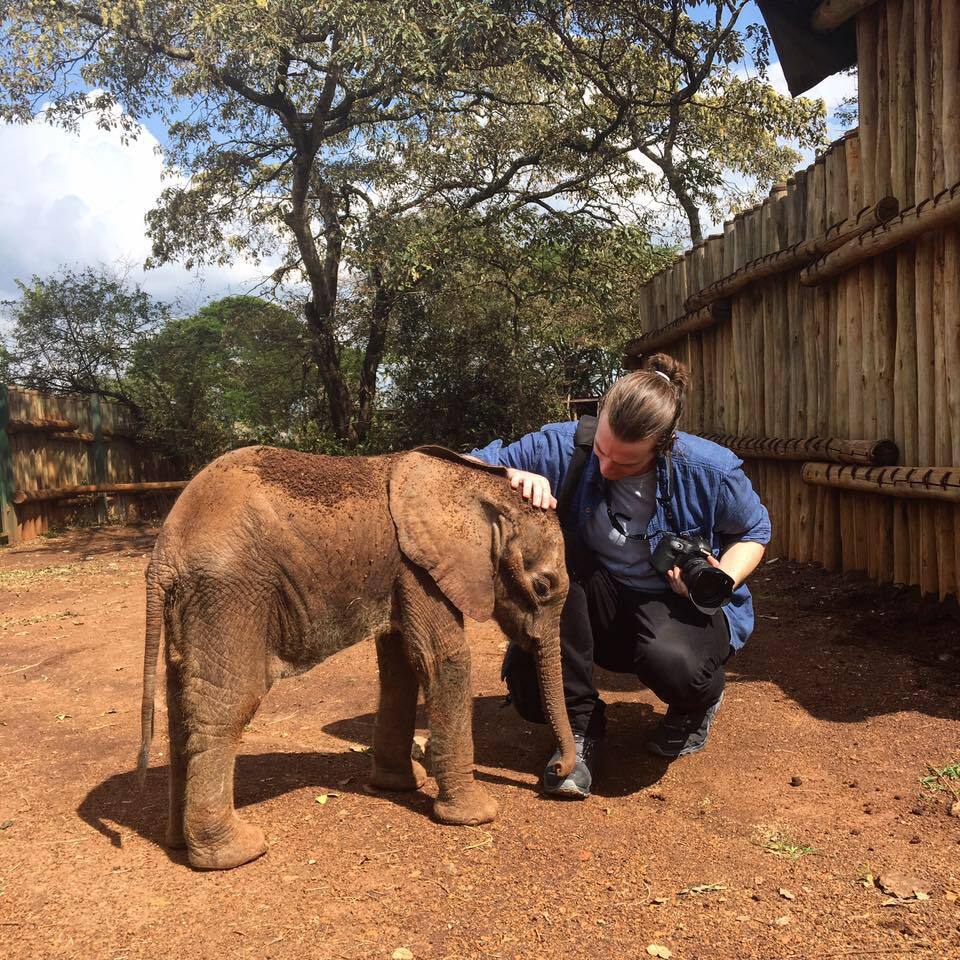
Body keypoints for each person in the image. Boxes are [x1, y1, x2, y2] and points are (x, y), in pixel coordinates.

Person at [468, 353, 770, 799]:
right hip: (595, 600)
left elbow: (754, 530)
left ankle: (694, 706)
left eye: (626, 463)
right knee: (532, 688)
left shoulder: (710, 469)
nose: (607, 468)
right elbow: (460, 468)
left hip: (675, 605)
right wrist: (508, 475)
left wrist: (718, 575)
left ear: (664, 446)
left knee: (678, 667)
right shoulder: (564, 445)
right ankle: (579, 733)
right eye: (603, 451)